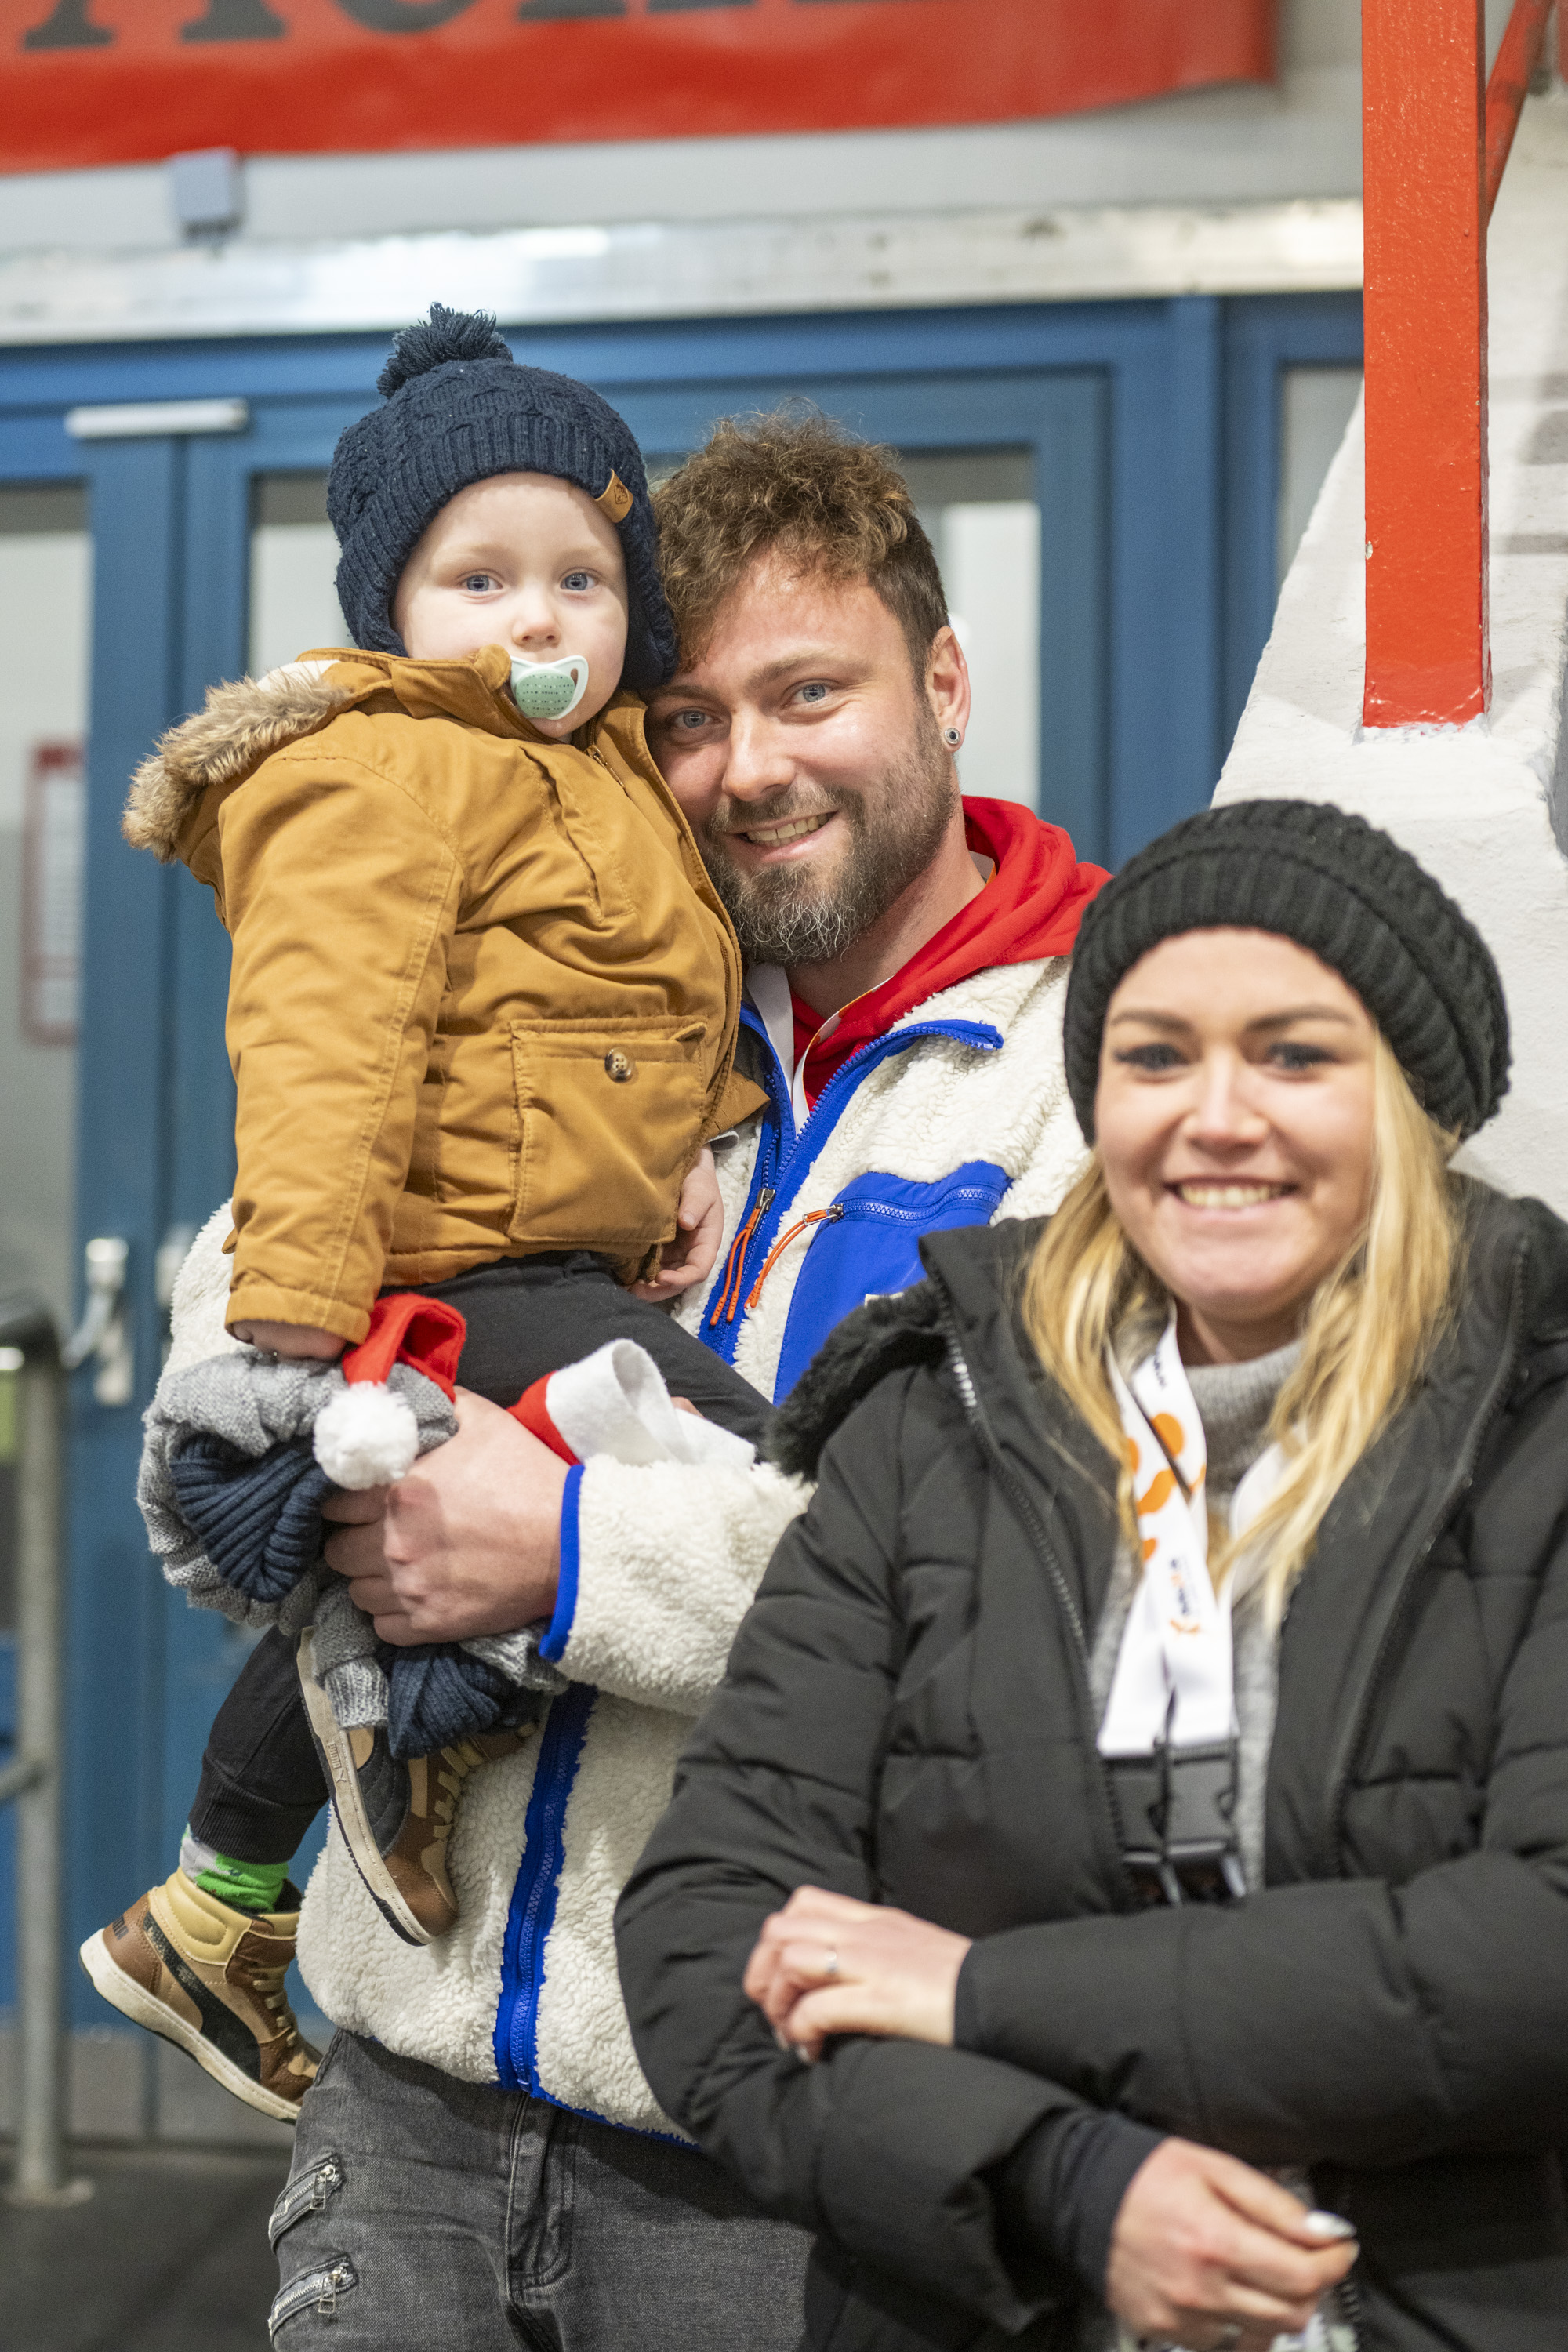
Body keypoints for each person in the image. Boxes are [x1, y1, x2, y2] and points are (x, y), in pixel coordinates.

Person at [252, 410, 1108, 2347]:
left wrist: (558, 1553)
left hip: (782, 2134)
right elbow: (257, 1300)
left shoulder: (1104, 1063)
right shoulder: (567, 997)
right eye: (688, 720)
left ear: (946, 683)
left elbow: (1020, 1583)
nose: (746, 770)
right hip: (402, 2098)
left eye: (810, 694)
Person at [618, 798, 1568, 2352]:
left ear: (1415, 1101)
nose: (1215, 1115)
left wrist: (986, 1995)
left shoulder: (1539, 1427)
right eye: (1153, 1056)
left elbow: (1537, 1955)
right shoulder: (935, 1419)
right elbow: (708, 1935)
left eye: (1294, 1054)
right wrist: (1064, 2183)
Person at [79, 303, 775, 2123]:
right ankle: (245, 1879)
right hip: (458, 1249)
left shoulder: (599, 770)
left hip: (552, 1235)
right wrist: (287, 1321)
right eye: (480, 580)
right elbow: (323, 1033)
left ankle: (216, 1907)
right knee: (739, 1460)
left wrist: (701, 1136)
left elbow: (644, 988)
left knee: (410, 1586)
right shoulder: (380, 762)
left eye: (579, 577)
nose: (537, 619)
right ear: (394, 602)